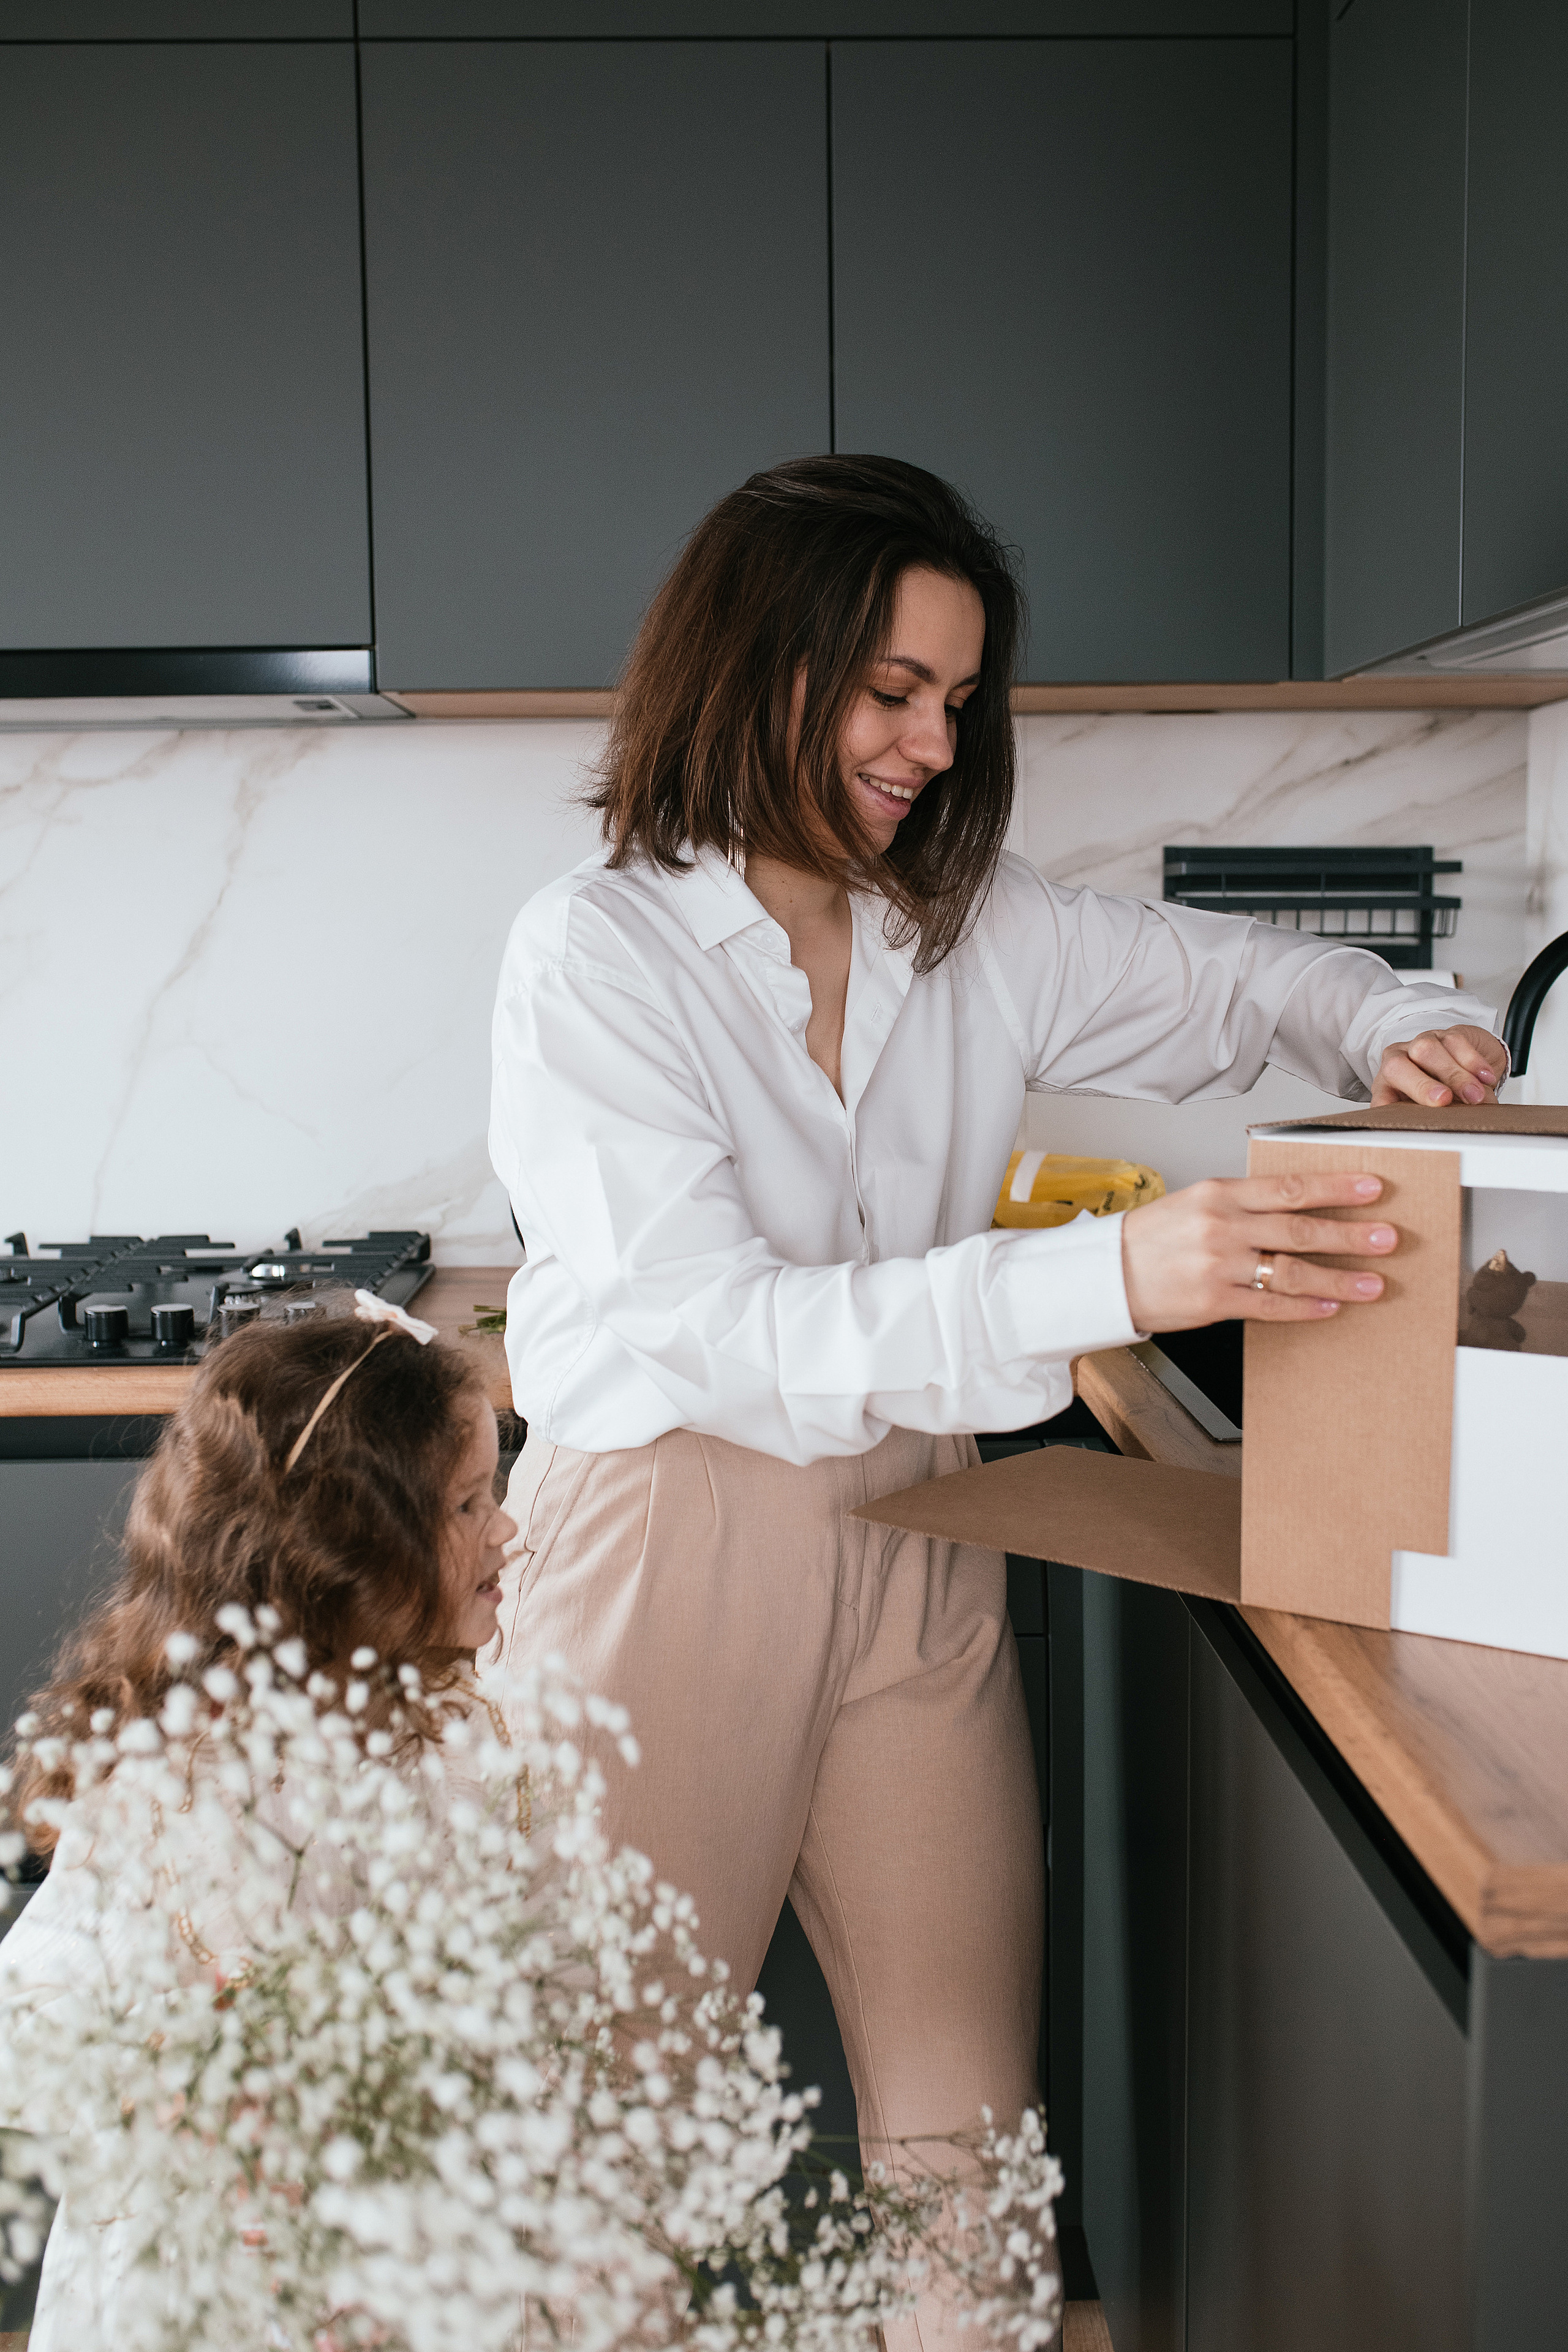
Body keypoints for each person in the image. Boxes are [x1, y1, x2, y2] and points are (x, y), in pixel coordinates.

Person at [486, 454, 1507, 2350]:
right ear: (756, 664)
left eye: (958, 701)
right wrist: (1116, 1275)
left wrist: (1388, 1021)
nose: (933, 743)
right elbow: (712, 1324)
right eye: (892, 692)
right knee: (591, 2158)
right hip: (662, 1548)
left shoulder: (969, 926)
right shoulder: (596, 955)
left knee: (973, 2145)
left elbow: (1235, 983)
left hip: (920, 1524)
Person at [0, 1294, 520, 2352]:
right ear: (354, 1557)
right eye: (470, 1508)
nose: (506, 1527)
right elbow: (37, 2021)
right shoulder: (184, 1783)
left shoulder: (442, 1737)